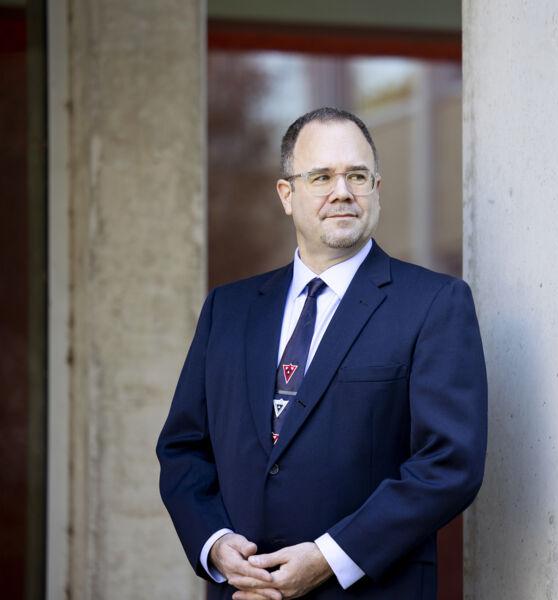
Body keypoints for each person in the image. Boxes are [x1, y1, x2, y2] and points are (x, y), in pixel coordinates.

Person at [156, 107, 488, 600]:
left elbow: (449, 463)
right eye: (321, 176)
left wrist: (329, 557)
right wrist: (215, 544)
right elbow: (184, 448)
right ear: (286, 195)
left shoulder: (435, 304)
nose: (342, 191)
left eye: (357, 175)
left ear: (376, 189)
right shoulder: (228, 310)